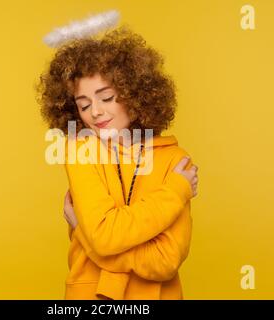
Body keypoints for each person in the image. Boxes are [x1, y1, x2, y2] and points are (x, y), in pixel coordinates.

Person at [37, 24, 199, 299]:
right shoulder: (81, 150)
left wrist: (88, 236)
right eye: (84, 105)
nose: (96, 112)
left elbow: (165, 261)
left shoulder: (176, 160)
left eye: (107, 98)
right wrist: (175, 191)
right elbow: (103, 237)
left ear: (135, 94)